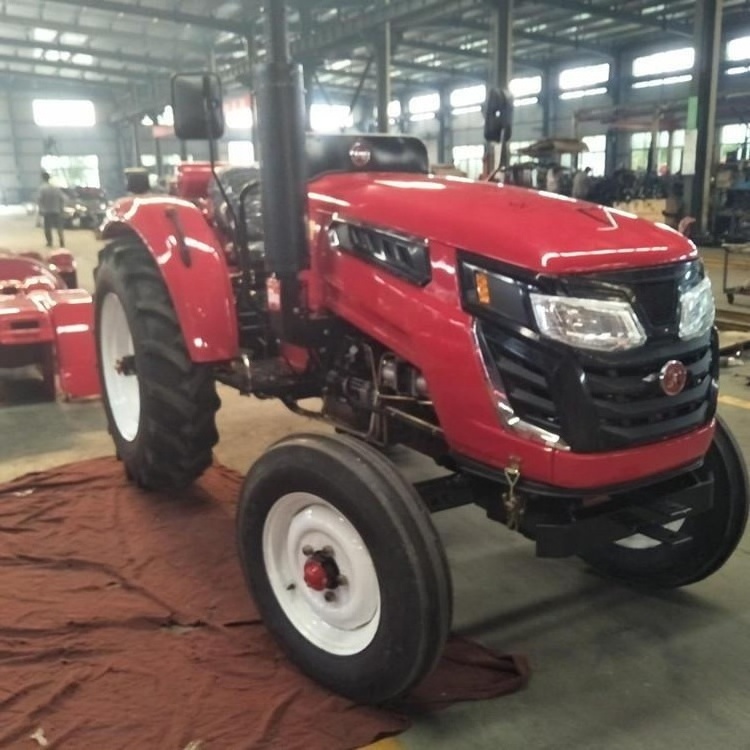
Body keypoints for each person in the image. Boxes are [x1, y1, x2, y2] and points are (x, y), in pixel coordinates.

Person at [37, 171, 65, 248]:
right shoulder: (56, 188)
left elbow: (39, 200)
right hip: (57, 210)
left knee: (47, 228)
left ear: (42, 178)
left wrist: (41, 209)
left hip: (47, 211)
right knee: (59, 227)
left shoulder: (42, 188)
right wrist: (61, 208)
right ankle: (61, 241)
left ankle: (49, 242)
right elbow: (62, 199)